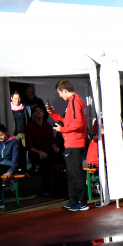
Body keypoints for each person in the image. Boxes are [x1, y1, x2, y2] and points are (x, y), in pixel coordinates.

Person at [47, 79, 89, 211]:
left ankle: (82, 202)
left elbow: (77, 124)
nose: (60, 96)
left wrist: (62, 130)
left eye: (60, 93)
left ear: (65, 90)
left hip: (74, 141)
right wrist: (53, 115)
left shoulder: (75, 102)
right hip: (71, 141)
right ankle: (74, 200)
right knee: (71, 173)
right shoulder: (74, 101)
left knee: (75, 173)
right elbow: (69, 121)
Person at [25, 105, 59, 195]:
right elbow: (29, 146)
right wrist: (39, 152)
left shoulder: (47, 126)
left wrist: (54, 147)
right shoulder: (29, 127)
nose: (39, 112)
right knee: (45, 161)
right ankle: (46, 188)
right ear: (33, 113)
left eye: (40, 110)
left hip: (47, 151)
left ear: (44, 113)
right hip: (35, 152)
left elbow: (52, 141)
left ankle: (62, 186)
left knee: (62, 156)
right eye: (36, 111)